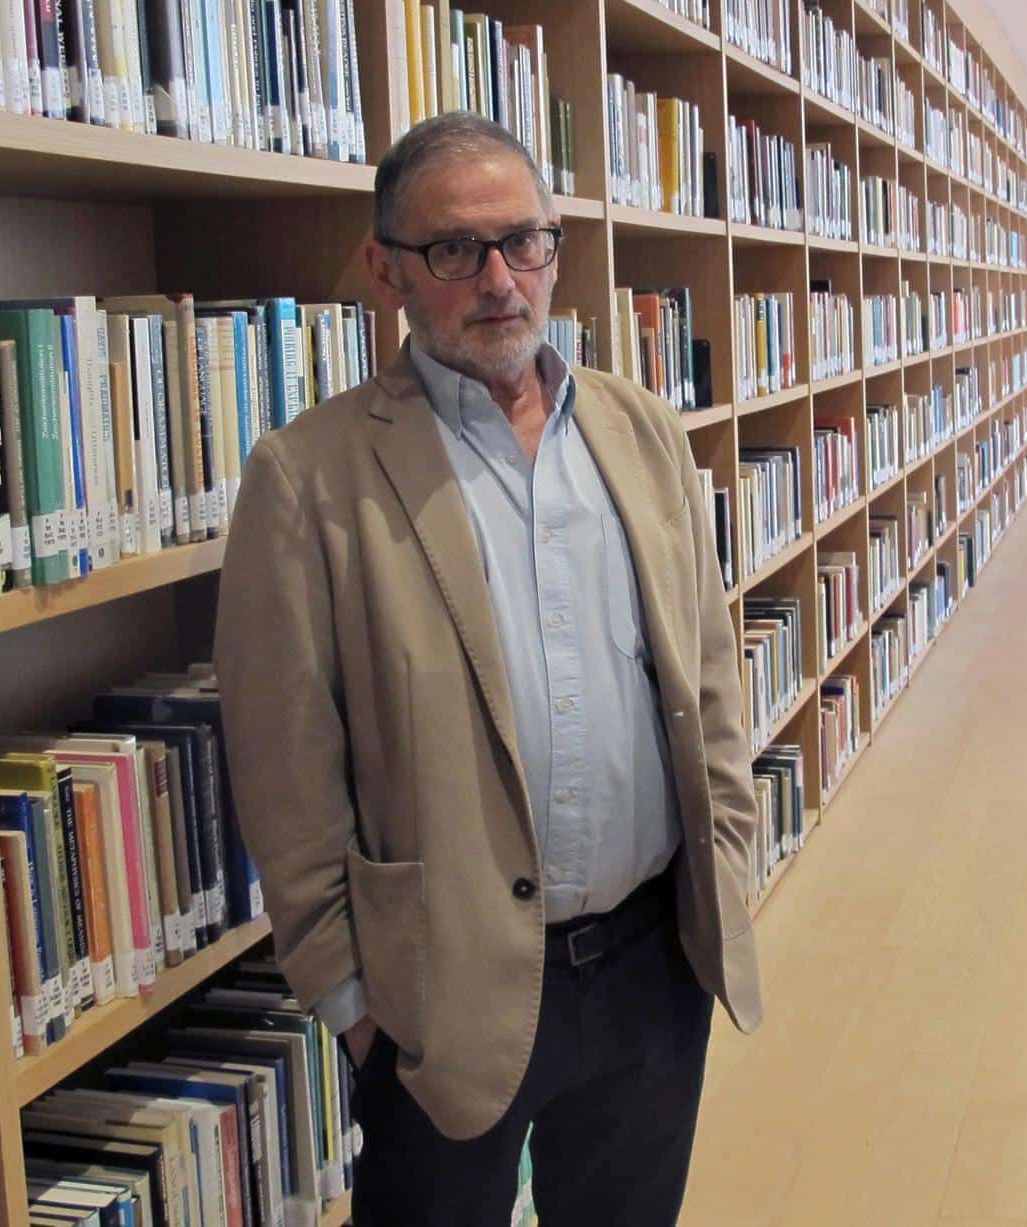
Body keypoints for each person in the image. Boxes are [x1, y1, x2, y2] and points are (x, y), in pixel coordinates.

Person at [212, 113, 764, 1226]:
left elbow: (707, 681)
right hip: (440, 1002)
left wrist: (729, 878)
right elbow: (286, 773)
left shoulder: (643, 431)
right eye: (458, 250)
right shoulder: (308, 478)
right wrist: (355, 1003)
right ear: (388, 270)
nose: (502, 280)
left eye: (528, 242)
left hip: (652, 967)